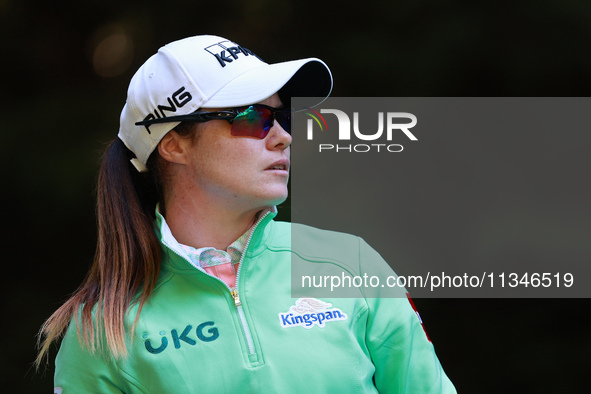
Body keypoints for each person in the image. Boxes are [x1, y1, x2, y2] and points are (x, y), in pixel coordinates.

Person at [37, 34, 455, 393]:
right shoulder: (101, 330)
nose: (284, 136)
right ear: (173, 145)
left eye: (282, 116)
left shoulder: (350, 262)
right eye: (253, 117)